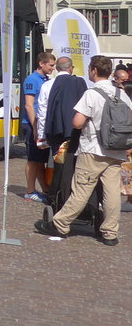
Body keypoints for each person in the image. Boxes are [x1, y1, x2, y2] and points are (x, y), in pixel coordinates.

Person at [34, 54, 129, 245]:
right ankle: (110, 233)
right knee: (111, 193)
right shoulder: (122, 93)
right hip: (116, 150)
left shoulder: (92, 94)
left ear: (94, 70)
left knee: (81, 189)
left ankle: (60, 224)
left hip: (93, 149)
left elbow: (77, 123)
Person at [22, 51, 55, 202]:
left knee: (40, 159)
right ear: (41, 64)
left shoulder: (45, 79)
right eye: (51, 65)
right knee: (33, 159)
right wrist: (35, 127)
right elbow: (29, 105)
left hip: (41, 125)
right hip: (32, 125)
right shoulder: (32, 79)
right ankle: (30, 190)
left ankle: (45, 189)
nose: (53, 68)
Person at [39, 56, 87, 160]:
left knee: (58, 162)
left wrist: (41, 134)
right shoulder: (78, 82)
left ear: (57, 68)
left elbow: (42, 111)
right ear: (71, 68)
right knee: (72, 162)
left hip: (54, 129)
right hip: (74, 130)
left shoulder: (47, 85)